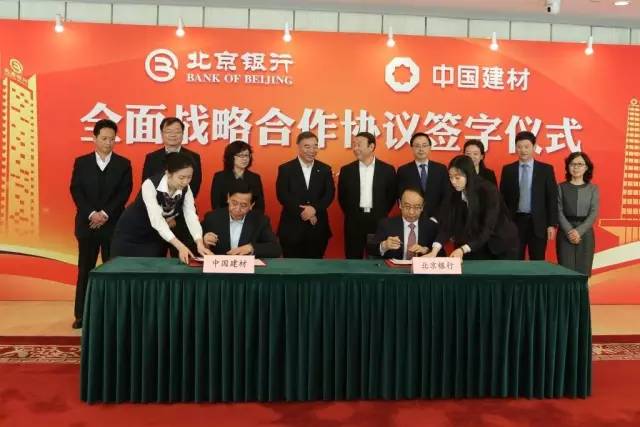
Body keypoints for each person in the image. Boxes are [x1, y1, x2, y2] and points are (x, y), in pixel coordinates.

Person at [69, 119, 132, 329]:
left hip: (113, 225)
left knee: (113, 271)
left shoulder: (123, 164)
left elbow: (124, 193)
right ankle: (81, 315)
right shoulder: (82, 162)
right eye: (104, 138)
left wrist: (104, 214)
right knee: (85, 269)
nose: (108, 143)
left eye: (112, 139)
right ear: (94, 138)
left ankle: (113, 315)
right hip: (87, 225)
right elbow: (76, 190)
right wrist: (91, 214)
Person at [111, 152, 212, 264]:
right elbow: (157, 220)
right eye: (181, 177)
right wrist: (180, 246)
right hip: (131, 234)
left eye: (189, 177)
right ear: (168, 174)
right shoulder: (150, 184)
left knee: (152, 269)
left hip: (155, 236)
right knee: (122, 269)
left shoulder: (186, 189)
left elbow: (191, 216)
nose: (185, 182)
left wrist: (199, 243)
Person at [424, 155, 518, 260]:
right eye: (450, 177)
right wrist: (434, 251)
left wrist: (462, 249)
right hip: (474, 243)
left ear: (468, 175)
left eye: (457, 177)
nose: (453, 181)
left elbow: (487, 228)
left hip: (500, 244)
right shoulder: (454, 192)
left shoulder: (488, 191)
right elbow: (447, 225)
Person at [142, 117, 202, 254]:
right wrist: (165, 215)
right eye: (168, 131)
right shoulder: (152, 157)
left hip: (182, 217)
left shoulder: (193, 157)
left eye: (177, 131)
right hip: (156, 218)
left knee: (184, 258)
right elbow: (147, 185)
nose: (173, 135)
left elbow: (194, 185)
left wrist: (174, 214)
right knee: (155, 259)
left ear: (183, 133)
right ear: (162, 134)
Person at [276, 131, 335, 258]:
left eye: (315, 146)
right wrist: (304, 212)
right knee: (292, 267)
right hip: (291, 228)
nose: (312, 150)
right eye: (307, 146)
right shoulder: (286, 169)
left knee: (316, 266)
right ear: (298, 146)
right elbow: (282, 195)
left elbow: (329, 194)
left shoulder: (325, 169)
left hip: (317, 228)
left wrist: (314, 209)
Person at [500, 131, 558, 260]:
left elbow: (552, 198)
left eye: (526, 146)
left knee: (537, 261)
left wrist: (552, 224)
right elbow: (502, 199)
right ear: (516, 148)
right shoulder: (508, 170)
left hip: (538, 223)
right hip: (515, 222)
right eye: (519, 147)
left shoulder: (546, 170)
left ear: (534, 147)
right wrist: (503, 223)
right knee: (514, 260)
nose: (523, 150)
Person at [338, 131, 396, 259]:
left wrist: (381, 212)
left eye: (359, 144)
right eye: (354, 145)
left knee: (377, 257)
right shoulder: (346, 170)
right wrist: (352, 213)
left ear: (371, 146)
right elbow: (342, 198)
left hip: (378, 220)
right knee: (353, 258)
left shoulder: (387, 170)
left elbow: (391, 196)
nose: (355, 148)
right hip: (354, 220)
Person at [202, 181, 281, 258]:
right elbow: (196, 245)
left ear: (251, 205)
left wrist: (251, 248)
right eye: (234, 203)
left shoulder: (260, 221)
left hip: (246, 266)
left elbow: (275, 249)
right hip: (219, 265)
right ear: (228, 198)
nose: (237, 209)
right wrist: (204, 241)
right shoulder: (212, 218)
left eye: (243, 205)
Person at [557, 152, 599, 276]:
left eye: (580, 164)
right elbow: (558, 211)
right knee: (565, 272)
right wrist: (570, 231)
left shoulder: (593, 189)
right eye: (572, 164)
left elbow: (593, 213)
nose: (576, 167)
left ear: (586, 167)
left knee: (583, 273)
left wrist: (579, 232)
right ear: (568, 167)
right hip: (565, 233)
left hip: (585, 233)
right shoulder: (560, 187)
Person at [369, 188, 439, 259]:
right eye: (407, 206)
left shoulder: (431, 226)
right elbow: (371, 250)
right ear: (400, 204)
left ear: (422, 207)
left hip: (420, 266)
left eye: (417, 207)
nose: (411, 212)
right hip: (394, 266)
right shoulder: (386, 224)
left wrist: (426, 251)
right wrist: (384, 245)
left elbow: (441, 254)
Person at [396, 132, 450, 220]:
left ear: (430, 147)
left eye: (424, 145)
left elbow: (446, 196)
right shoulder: (403, 170)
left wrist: (436, 217)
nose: (421, 149)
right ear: (412, 148)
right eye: (417, 146)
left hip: (437, 219)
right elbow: (401, 196)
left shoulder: (441, 169)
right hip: (411, 218)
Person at [210, 140, 265, 212]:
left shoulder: (255, 178)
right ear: (231, 157)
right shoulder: (220, 177)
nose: (245, 159)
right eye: (241, 156)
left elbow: (259, 206)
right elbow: (216, 204)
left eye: (247, 155)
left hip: (250, 218)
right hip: (225, 217)